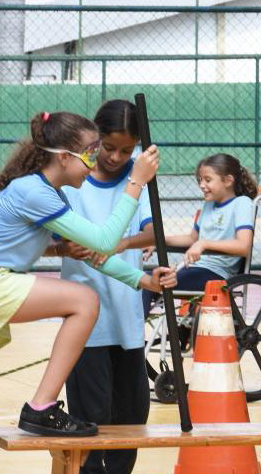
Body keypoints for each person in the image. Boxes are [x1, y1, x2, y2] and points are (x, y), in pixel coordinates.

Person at [0, 111, 176, 474]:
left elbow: (94, 254)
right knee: (85, 300)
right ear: (63, 156)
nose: (95, 164)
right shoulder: (35, 191)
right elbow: (107, 240)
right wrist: (135, 183)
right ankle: (41, 406)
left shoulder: (47, 194)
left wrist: (142, 280)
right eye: (90, 154)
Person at [55, 100, 155, 474]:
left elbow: (149, 230)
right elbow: (61, 240)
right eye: (108, 147)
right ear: (94, 139)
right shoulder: (74, 180)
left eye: (126, 150)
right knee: (89, 421)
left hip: (128, 319)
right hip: (88, 324)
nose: (115, 157)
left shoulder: (140, 179)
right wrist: (66, 246)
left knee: (130, 421)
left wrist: (125, 243)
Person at [163, 153, 256, 291]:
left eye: (207, 180)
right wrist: (157, 240)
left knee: (154, 282)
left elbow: (243, 246)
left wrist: (203, 243)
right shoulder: (209, 205)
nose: (201, 185)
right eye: (200, 180)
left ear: (228, 181)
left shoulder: (242, 203)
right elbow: (191, 239)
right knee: (149, 279)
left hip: (217, 274)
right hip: (195, 269)